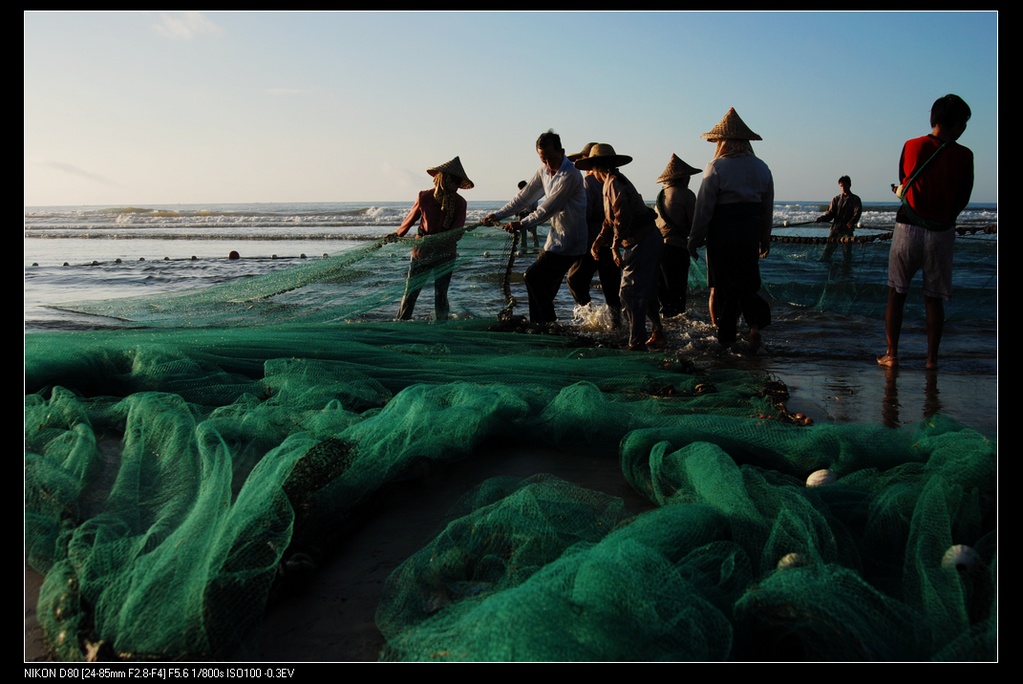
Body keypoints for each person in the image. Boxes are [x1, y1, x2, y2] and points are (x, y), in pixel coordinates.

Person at [878, 94, 974, 371]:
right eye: (964, 122)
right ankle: (931, 360)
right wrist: (944, 216)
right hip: (941, 231)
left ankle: (892, 354)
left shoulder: (912, 145)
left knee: (897, 293)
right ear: (956, 122)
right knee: (933, 299)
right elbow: (963, 197)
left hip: (908, 227)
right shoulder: (965, 155)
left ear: (934, 118)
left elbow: (905, 182)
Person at [687, 107, 774, 352]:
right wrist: (764, 239)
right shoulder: (762, 167)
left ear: (722, 142)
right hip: (749, 231)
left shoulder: (716, 166)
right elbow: (766, 208)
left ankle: (726, 338)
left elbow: (704, 208)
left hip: (722, 233)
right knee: (747, 283)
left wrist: (694, 238)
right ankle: (754, 326)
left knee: (724, 286)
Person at [483, 130, 588, 325]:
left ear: (562, 151)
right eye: (543, 159)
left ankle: (545, 323)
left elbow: (550, 207)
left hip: (571, 240)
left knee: (532, 277)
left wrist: (522, 223)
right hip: (555, 238)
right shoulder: (543, 172)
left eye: (551, 158)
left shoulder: (571, 174)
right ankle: (543, 324)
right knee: (544, 286)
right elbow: (524, 197)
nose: (547, 163)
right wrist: (498, 215)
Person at [574, 143, 664, 351]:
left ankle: (636, 342)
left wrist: (614, 246)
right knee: (647, 290)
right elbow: (610, 219)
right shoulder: (611, 183)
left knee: (629, 293)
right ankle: (656, 332)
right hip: (648, 239)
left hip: (643, 240)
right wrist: (598, 241)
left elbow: (622, 218)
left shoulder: (613, 183)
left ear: (597, 167)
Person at [395, 156, 474, 321]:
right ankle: (401, 323)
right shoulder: (424, 197)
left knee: (441, 294)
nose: (454, 184)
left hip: (445, 253)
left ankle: (441, 325)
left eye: (457, 181)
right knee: (411, 291)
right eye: (452, 179)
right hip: (421, 252)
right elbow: (409, 221)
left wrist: (435, 241)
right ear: (442, 178)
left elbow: (456, 232)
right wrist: (396, 235)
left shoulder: (460, 203)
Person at [565, 141, 623, 328]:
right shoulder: (616, 179)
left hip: (591, 240)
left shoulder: (588, 182)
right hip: (610, 238)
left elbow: (585, 213)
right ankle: (616, 323)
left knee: (575, 280)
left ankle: (590, 317)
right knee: (611, 287)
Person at [653, 153, 702, 318]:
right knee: (678, 290)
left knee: (663, 291)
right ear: (682, 178)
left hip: (659, 248)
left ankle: (665, 325)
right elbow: (694, 223)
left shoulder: (661, 196)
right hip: (677, 248)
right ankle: (678, 325)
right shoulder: (686, 194)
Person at [816, 175, 862, 263]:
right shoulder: (836, 199)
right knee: (827, 251)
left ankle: (847, 268)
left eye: (845, 185)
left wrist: (851, 222)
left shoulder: (855, 199)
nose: (843, 187)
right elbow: (830, 214)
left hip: (847, 230)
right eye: (841, 186)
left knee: (847, 252)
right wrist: (821, 219)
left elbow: (857, 213)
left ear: (849, 185)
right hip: (835, 229)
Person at [515, 180, 540, 250]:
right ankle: (523, 250)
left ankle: (536, 249)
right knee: (522, 235)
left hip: (530, 217)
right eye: (520, 188)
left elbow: (535, 209)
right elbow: (516, 206)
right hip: (521, 216)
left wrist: (530, 215)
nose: (520, 190)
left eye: (521, 188)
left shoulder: (533, 196)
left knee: (534, 234)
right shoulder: (519, 196)